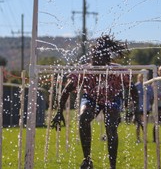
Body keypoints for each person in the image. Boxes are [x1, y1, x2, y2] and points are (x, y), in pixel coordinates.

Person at [51, 35, 138, 169]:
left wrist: (135, 112)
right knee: (83, 117)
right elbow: (67, 89)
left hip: (112, 98)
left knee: (110, 126)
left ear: (107, 59)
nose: (95, 61)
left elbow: (132, 89)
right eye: (93, 57)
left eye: (98, 58)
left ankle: (112, 165)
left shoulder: (117, 70)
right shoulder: (84, 70)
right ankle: (87, 160)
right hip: (91, 98)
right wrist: (59, 111)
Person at [135, 72, 153, 143]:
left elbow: (151, 96)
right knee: (138, 124)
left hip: (146, 107)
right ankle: (138, 138)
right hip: (138, 107)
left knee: (145, 123)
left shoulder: (149, 86)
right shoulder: (136, 86)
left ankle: (144, 137)